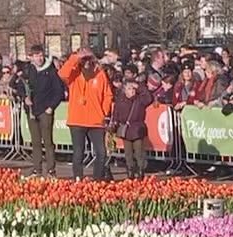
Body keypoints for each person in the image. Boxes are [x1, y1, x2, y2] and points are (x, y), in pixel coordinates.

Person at [60, 47, 114, 181]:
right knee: (78, 152)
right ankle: (78, 177)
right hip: (77, 120)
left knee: (101, 152)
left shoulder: (100, 74)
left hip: (96, 120)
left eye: (89, 59)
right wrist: (76, 56)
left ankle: (98, 179)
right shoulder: (74, 74)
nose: (86, 62)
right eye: (84, 60)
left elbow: (108, 95)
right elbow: (62, 74)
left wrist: (104, 112)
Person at [23, 45, 66, 177]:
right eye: (36, 56)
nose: (39, 58)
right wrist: (24, 97)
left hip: (45, 110)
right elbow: (19, 85)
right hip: (32, 110)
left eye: (41, 55)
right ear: (31, 57)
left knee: (48, 142)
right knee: (35, 142)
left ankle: (51, 170)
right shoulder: (28, 70)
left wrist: (51, 107)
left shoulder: (50, 71)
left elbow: (59, 91)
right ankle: (37, 169)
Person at [112, 69, 152, 177]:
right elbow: (116, 113)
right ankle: (130, 170)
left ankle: (140, 170)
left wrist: (139, 86)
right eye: (129, 88)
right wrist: (114, 123)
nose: (132, 90)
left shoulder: (139, 100)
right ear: (125, 90)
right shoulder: (120, 100)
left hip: (137, 128)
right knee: (128, 152)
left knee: (139, 151)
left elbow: (149, 98)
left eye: (133, 88)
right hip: (126, 128)